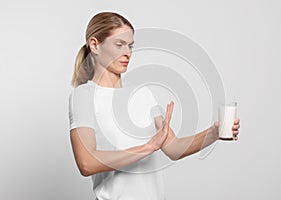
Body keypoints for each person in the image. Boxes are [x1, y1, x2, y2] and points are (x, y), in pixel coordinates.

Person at [68, 12, 240, 200]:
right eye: (119, 44)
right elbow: (87, 163)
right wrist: (148, 147)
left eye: (130, 46)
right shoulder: (83, 95)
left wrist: (214, 133)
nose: (128, 52)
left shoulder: (142, 94)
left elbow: (173, 148)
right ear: (95, 45)